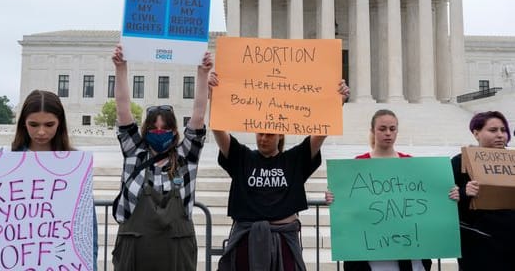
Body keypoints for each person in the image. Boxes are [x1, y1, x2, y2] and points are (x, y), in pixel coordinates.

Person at [209, 70, 350, 271]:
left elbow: (320, 133)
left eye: (269, 134)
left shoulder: (294, 159)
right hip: (246, 238)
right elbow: (218, 129)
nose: (263, 138)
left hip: (284, 239)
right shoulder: (241, 156)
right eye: (260, 133)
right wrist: (214, 98)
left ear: (280, 136)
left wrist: (337, 103)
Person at [111, 44, 212, 271]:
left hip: (176, 252)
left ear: (174, 131)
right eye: (154, 129)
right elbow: (123, 109)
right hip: (135, 251)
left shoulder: (186, 156)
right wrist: (121, 68)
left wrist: (202, 73)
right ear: (145, 131)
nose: (159, 132)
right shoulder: (134, 153)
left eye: (164, 128)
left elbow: (197, 114)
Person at [325, 109, 459, 271]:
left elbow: (430, 198)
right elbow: (349, 207)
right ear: (373, 131)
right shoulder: (358, 164)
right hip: (370, 249)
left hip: (407, 249)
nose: (388, 133)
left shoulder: (410, 163)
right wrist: (334, 197)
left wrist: (451, 194)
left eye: (392, 129)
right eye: (382, 129)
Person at [11, 89, 99, 270]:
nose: (41, 132)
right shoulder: (4, 161)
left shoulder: (76, 164)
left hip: (62, 258)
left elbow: (87, 225)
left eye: (49, 124)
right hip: (17, 257)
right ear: (23, 124)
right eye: (33, 125)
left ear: (60, 123)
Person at [451, 111, 515, 270]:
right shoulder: (460, 162)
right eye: (493, 130)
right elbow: (446, 204)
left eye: (503, 130)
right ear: (476, 133)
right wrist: (465, 194)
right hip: (478, 244)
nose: (500, 135)